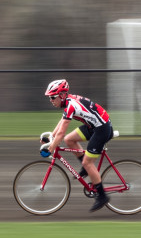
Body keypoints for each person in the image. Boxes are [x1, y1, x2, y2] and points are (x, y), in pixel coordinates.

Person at [43, 79, 114, 212]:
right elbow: (62, 122)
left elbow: (61, 133)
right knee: (69, 140)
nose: (51, 100)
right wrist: (51, 137)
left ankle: (102, 196)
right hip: (93, 126)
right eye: (49, 97)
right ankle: (87, 169)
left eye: (53, 97)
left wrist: (51, 148)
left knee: (88, 162)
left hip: (101, 129)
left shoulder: (71, 105)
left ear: (62, 95)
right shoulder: (68, 102)